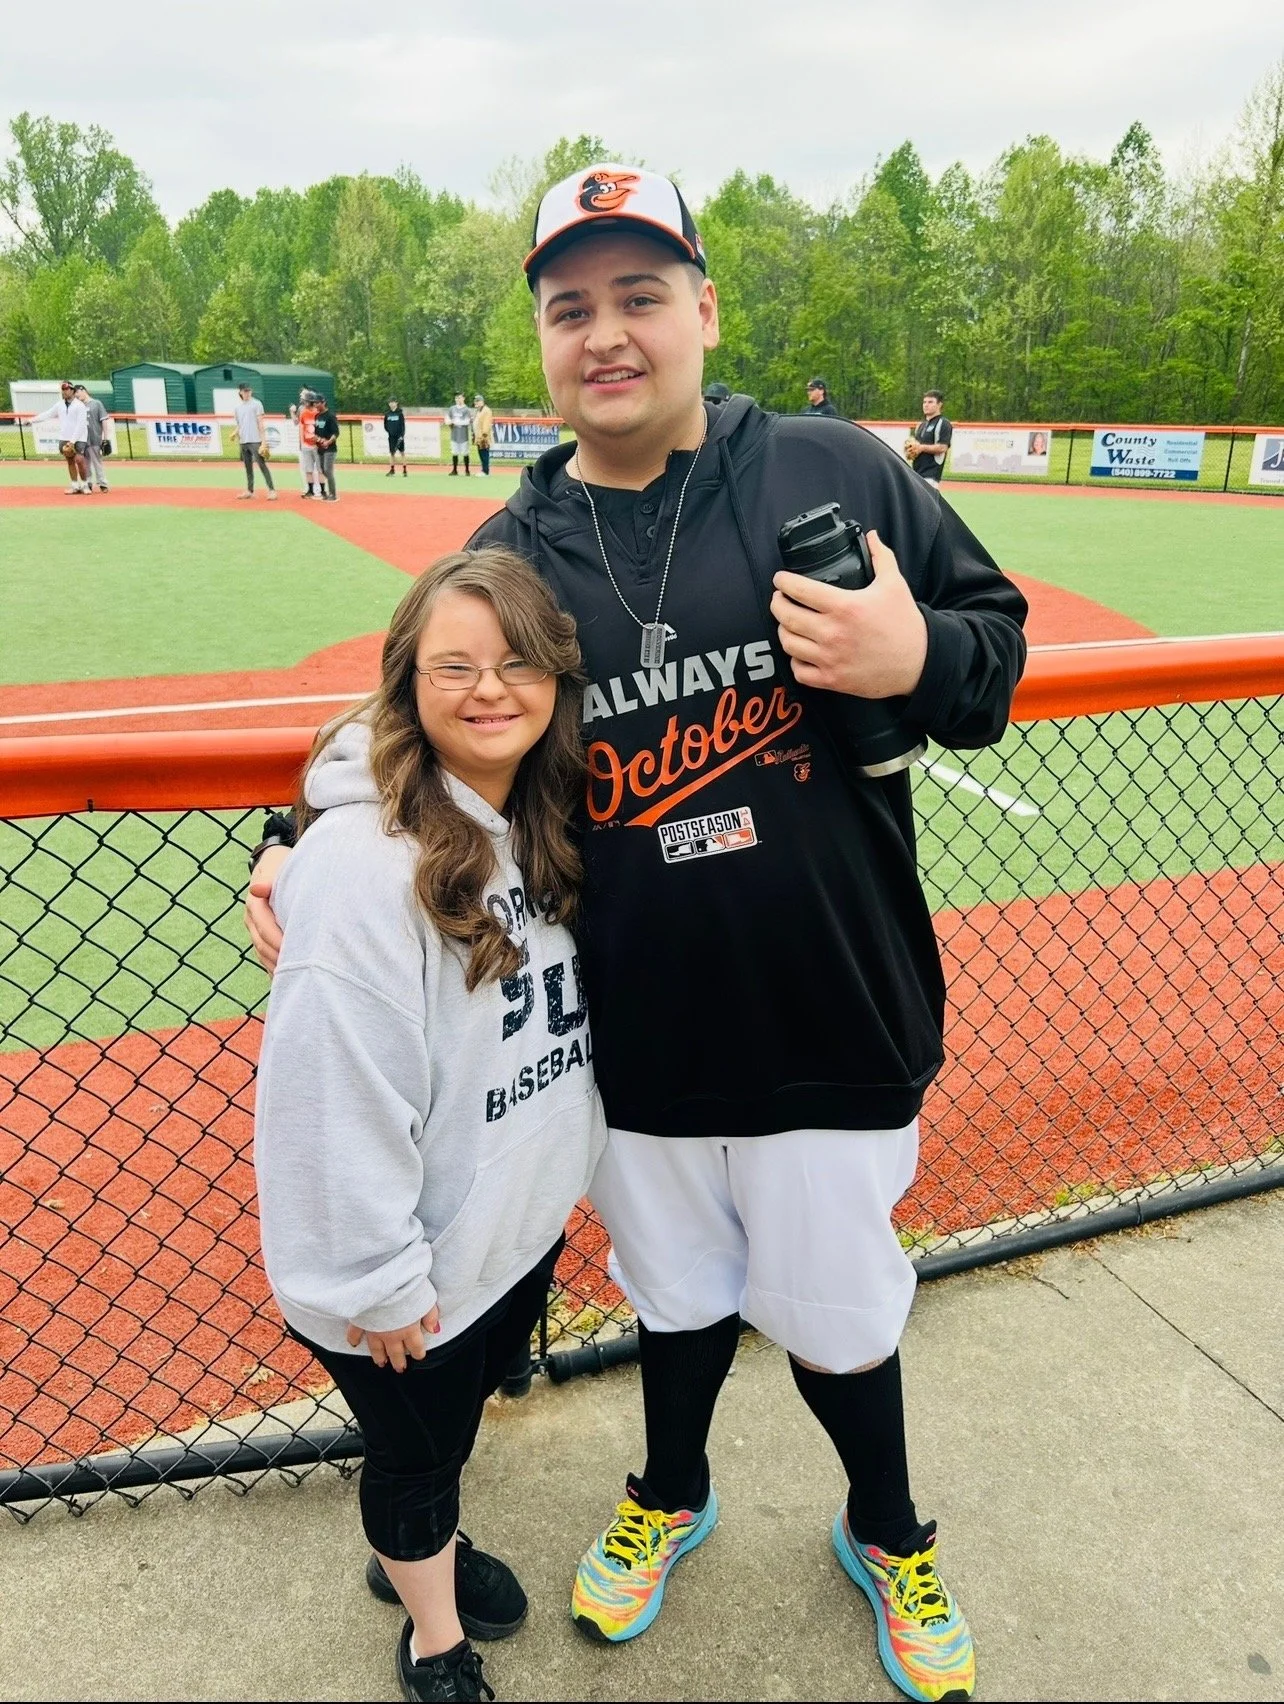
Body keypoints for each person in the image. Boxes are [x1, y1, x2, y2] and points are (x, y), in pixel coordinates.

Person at [247, 163, 1026, 1704]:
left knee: (841, 1312)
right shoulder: (518, 545)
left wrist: (914, 651)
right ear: (544, 340)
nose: (605, 333)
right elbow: (415, 710)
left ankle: (888, 1528)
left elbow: (991, 658)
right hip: (632, 1033)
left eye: (639, 295)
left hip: (832, 1007)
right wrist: (290, 834)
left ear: (704, 309)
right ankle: (671, 1490)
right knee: (673, 1295)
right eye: (570, 307)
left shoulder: (827, 469)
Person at [254, 548, 605, 1703]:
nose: (490, 689)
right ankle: (435, 1638)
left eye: (517, 663)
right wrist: (377, 1279)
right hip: (407, 1273)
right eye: (454, 666)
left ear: (555, 679)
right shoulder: (365, 869)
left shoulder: (540, 810)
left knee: (447, 1441)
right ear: (406, 681)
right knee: (415, 1466)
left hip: (505, 1230)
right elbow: (329, 1098)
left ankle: (425, 1551)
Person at [31, 381, 90, 494]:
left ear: (72, 391)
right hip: (65, 437)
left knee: (79, 460)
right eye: (63, 390)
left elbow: (81, 425)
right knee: (70, 461)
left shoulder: (79, 405)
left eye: (67, 389)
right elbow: (47, 414)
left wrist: (72, 441)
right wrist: (31, 420)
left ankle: (84, 484)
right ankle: (75, 485)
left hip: (79, 438)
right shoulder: (59, 405)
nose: (64, 392)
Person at [232, 383, 277, 501]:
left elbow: (260, 423)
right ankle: (249, 491)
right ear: (240, 392)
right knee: (247, 466)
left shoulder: (257, 404)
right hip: (243, 440)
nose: (247, 393)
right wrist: (235, 433)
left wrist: (263, 442)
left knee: (262, 465)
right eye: (245, 391)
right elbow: (240, 424)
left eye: (249, 391)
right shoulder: (237, 407)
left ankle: (272, 490)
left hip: (255, 440)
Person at [906, 392, 952, 484]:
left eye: (930, 402)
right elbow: (916, 447)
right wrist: (910, 450)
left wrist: (921, 448)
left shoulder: (943, 423)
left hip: (931, 475)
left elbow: (942, 447)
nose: (926, 405)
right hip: (917, 473)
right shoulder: (921, 425)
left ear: (939, 405)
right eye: (924, 402)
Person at [75, 385, 112, 492]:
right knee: (85, 463)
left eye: (77, 393)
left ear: (83, 390)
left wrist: (106, 438)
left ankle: (103, 483)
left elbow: (104, 420)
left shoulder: (96, 403)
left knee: (97, 462)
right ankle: (88, 483)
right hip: (82, 439)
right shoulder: (78, 406)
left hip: (94, 438)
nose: (76, 396)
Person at [291, 388, 323, 498]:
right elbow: (299, 425)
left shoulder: (317, 411)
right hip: (305, 444)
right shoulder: (302, 410)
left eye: (304, 397)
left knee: (318, 468)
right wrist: (302, 442)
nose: (302, 399)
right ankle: (309, 489)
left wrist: (320, 441)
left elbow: (322, 427)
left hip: (316, 444)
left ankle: (320, 490)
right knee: (306, 468)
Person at [312, 395, 340, 501]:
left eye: (317, 403)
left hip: (330, 448)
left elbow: (336, 433)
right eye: (314, 403)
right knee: (323, 470)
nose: (315, 405)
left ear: (323, 403)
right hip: (320, 448)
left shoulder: (330, 416)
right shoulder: (317, 416)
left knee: (328, 470)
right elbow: (316, 432)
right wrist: (316, 439)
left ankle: (333, 494)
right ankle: (330, 491)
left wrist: (328, 441)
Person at [446, 393, 473, 476]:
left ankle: (467, 470)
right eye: (456, 398)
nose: (458, 400)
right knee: (454, 452)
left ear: (463, 398)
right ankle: (454, 470)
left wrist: (456, 422)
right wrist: (450, 422)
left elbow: (467, 421)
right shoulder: (452, 409)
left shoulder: (467, 409)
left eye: (459, 398)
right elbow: (447, 419)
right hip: (454, 434)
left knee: (465, 452)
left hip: (463, 434)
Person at [384, 398, 408, 477]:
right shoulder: (387, 414)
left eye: (393, 402)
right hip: (391, 437)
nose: (392, 404)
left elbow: (403, 426)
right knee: (392, 453)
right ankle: (392, 470)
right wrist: (390, 432)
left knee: (402, 453)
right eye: (390, 402)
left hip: (399, 436)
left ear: (396, 403)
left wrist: (401, 436)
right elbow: (385, 425)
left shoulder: (400, 414)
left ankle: (404, 470)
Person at [472, 395, 494, 476]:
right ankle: (483, 469)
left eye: (478, 401)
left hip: (483, 436)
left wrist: (484, 434)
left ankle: (485, 470)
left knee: (484, 453)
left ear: (482, 401)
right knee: (481, 453)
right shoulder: (478, 411)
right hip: (478, 436)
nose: (476, 402)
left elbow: (486, 423)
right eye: (476, 401)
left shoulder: (486, 410)